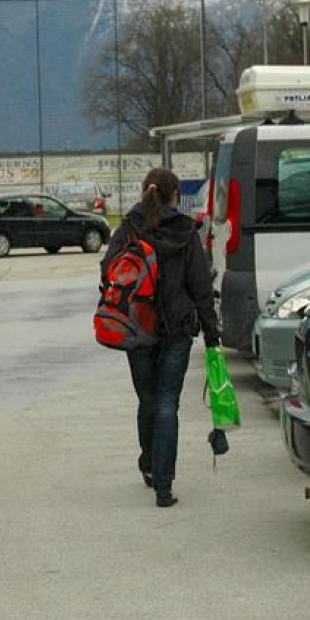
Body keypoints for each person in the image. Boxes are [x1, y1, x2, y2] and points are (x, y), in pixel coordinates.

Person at [100, 166, 222, 508]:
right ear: (175, 196)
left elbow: (108, 271)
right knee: (168, 403)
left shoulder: (129, 228)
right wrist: (211, 333)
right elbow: (201, 287)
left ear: (146, 191)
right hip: (177, 330)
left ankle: (150, 465)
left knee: (148, 399)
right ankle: (164, 487)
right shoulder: (186, 232)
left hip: (137, 329)